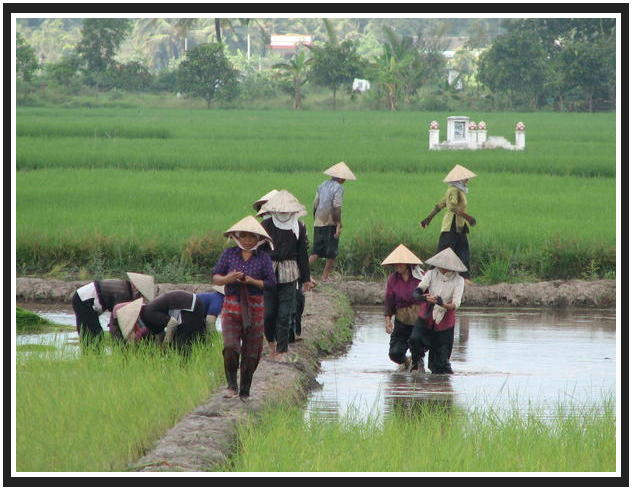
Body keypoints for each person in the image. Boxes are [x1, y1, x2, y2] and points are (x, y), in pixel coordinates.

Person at [212, 216, 277, 402]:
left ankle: (245, 391)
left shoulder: (263, 258)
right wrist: (227, 279)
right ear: (237, 237)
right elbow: (216, 277)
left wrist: (252, 282)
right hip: (231, 308)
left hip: (255, 309)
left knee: (251, 352)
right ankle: (232, 386)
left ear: (259, 239)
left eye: (252, 237)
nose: (248, 240)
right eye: (244, 236)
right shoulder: (229, 254)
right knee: (231, 347)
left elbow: (271, 284)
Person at [257, 190, 314, 361]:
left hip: (290, 273)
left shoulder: (299, 227)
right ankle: (271, 344)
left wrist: (306, 279)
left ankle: (282, 351)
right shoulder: (266, 225)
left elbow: (302, 254)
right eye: (280, 210)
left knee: (284, 314)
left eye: (286, 210)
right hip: (269, 272)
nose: (283, 213)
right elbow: (258, 250)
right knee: (268, 314)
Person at [409, 247, 466, 374]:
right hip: (427, 315)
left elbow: (455, 304)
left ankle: (441, 384)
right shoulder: (431, 274)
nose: (440, 267)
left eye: (443, 266)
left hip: (445, 319)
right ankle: (417, 361)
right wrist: (423, 297)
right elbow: (418, 291)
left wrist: (443, 304)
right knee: (415, 339)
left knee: (440, 365)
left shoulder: (459, 281)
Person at [420, 164, 477, 281]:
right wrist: (469, 217)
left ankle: (465, 279)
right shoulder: (453, 190)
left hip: (460, 226)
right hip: (451, 225)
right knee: (442, 252)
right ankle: (429, 277)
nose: (468, 180)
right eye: (466, 178)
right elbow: (452, 207)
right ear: (459, 179)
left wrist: (428, 218)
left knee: (463, 253)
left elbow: (440, 204)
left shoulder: (459, 191)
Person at [71, 272, 155, 347]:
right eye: (140, 294)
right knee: (94, 334)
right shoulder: (123, 292)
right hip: (84, 301)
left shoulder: (125, 286)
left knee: (89, 332)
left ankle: (90, 355)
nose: (140, 297)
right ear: (136, 287)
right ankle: (92, 357)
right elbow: (118, 317)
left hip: (82, 298)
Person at [308, 161, 357, 281]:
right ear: (340, 178)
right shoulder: (339, 188)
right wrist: (338, 225)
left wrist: (316, 219)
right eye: (344, 178)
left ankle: (300, 272)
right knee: (332, 252)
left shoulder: (322, 185)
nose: (344, 180)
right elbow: (336, 207)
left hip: (318, 222)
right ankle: (325, 277)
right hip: (330, 222)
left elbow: (315, 204)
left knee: (316, 252)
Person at [381, 244, 426, 371]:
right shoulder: (392, 279)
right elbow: (389, 301)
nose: (398, 266)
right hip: (401, 322)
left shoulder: (421, 277)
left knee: (417, 347)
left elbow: (429, 298)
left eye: (401, 263)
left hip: (418, 322)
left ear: (408, 263)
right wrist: (388, 320)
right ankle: (406, 362)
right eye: (396, 264)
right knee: (394, 353)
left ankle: (417, 361)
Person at [140, 290, 208, 353]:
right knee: (199, 339)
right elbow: (161, 333)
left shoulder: (147, 313)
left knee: (182, 344)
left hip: (188, 306)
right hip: (193, 302)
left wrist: (165, 345)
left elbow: (172, 322)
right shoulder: (148, 310)